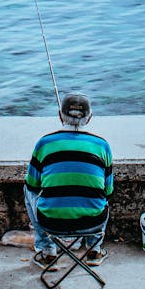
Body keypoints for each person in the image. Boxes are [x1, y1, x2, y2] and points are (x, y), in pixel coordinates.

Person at [24, 92, 113, 267]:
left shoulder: (44, 143)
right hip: (93, 222)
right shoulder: (102, 145)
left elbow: (32, 184)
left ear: (60, 115)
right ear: (89, 118)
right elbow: (108, 191)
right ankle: (94, 250)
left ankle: (47, 252)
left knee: (28, 189)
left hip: (51, 222)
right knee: (101, 195)